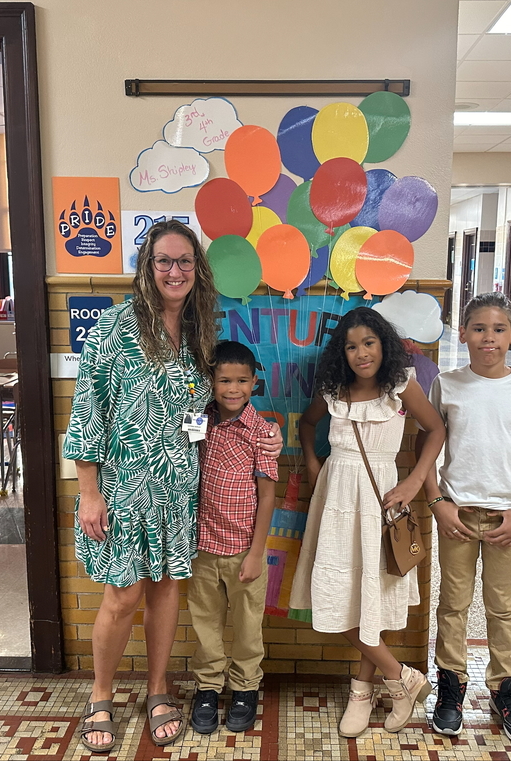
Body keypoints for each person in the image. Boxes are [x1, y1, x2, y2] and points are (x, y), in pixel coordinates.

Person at [63, 220, 282, 754]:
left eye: (185, 261)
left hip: (180, 490)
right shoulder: (111, 329)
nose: (175, 271)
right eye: (164, 260)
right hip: (123, 487)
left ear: (198, 269)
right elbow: (87, 413)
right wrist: (89, 491)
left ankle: (158, 689)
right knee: (123, 594)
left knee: (165, 589)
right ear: (147, 266)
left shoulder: (201, 333)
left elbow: (215, 407)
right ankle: (101, 695)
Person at [290, 306, 446, 738]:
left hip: (382, 496)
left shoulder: (400, 386)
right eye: (352, 346)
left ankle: (364, 688)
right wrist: (310, 461)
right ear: (342, 353)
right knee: (338, 596)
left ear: (384, 345)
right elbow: (307, 425)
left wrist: (415, 482)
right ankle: (401, 679)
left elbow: (435, 430)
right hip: (336, 499)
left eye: (369, 343)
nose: (361, 353)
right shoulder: (333, 390)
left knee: (370, 594)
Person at [417, 292, 511, 746]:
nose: (489, 338)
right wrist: (437, 501)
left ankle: (505, 688)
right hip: (457, 512)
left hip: (507, 519)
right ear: (462, 334)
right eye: (479, 328)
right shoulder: (448, 383)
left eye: (499, 329)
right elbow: (428, 446)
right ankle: (451, 686)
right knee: (453, 603)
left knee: (503, 607)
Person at [187, 340, 278, 735]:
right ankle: (208, 687)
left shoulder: (261, 431)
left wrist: (257, 553)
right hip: (201, 548)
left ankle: (245, 688)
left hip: (245, 551)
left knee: (247, 627)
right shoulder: (198, 419)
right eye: (224, 380)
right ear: (211, 381)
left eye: (242, 380)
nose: (232, 388)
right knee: (205, 623)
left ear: (254, 382)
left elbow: (268, 493)